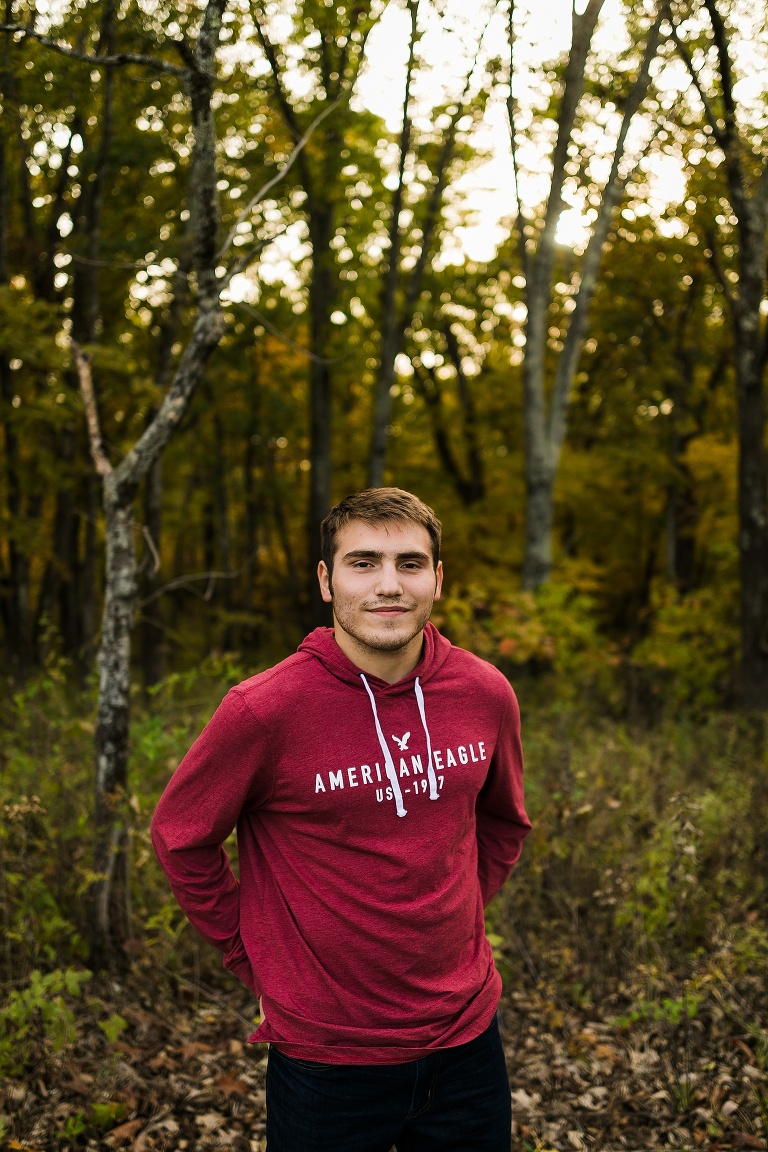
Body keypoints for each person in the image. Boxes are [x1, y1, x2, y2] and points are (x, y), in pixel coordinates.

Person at [151, 487, 531, 1152]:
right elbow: (182, 839)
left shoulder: (485, 693)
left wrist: (456, 906)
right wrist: (256, 961)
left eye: (410, 564)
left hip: (468, 1044)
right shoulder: (263, 710)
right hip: (327, 1060)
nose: (389, 585)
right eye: (363, 563)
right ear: (326, 581)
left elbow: (505, 822)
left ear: (437, 579)